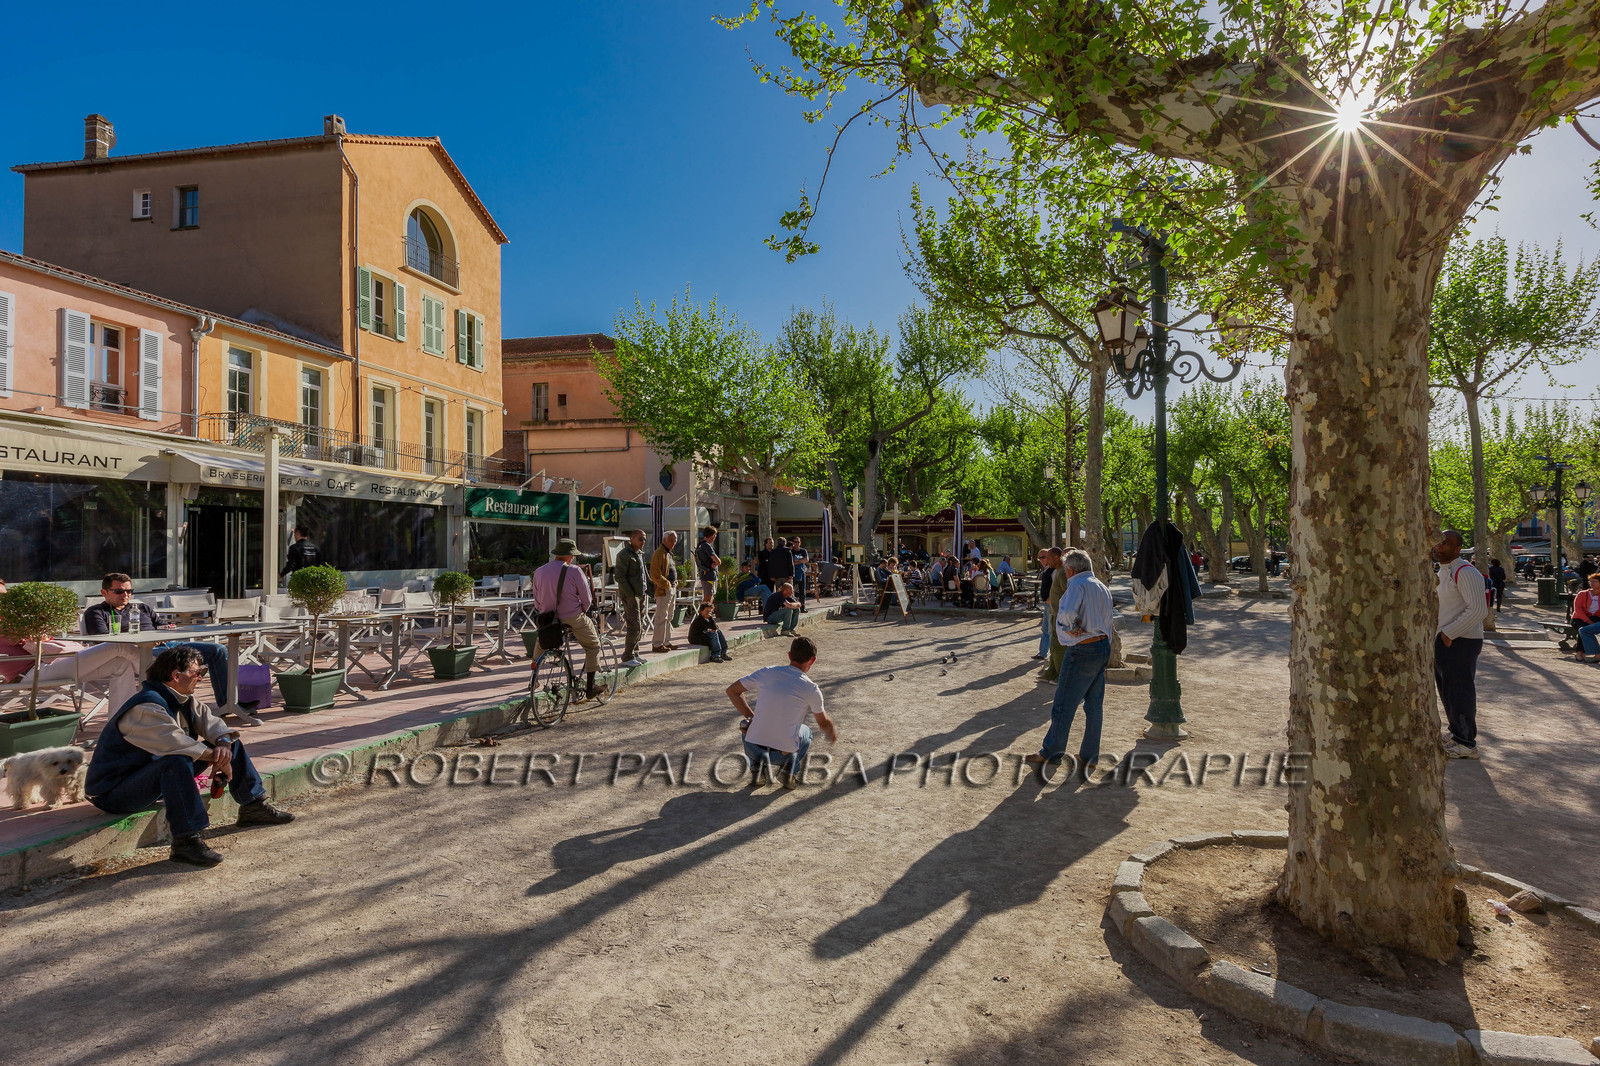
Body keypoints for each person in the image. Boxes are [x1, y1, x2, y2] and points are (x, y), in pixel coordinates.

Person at [85, 646, 294, 868]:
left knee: (230, 744)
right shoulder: (146, 706)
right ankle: (186, 840)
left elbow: (213, 725)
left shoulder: (183, 698)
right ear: (176, 676)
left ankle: (253, 805)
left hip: (145, 777)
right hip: (113, 792)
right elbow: (175, 742)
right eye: (198, 673)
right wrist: (216, 757)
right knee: (176, 761)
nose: (201, 678)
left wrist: (223, 745)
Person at [82, 572, 253, 723]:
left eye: (129, 591)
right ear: (104, 592)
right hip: (138, 652)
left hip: (167, 645)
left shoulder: (141, 607)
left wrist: (167, 630)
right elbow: (103, 643)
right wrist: (145, 640)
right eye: (119, 591)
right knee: (183, 663)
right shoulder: (97, 612)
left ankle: (227, 703)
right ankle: (179, 711)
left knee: (218, 650)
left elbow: (162, 625)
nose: (125, 595)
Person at [1026, 548, 1115, 773]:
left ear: (1071, 569)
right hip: (1102, 645)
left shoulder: (1077, 585)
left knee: (1064, 704)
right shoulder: (1101, 586)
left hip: (1083, 648)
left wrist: (1071, 629)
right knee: (1094, 705)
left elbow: (1065, 614)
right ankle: (1090, 755)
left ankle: (1051, 752)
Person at [725, 635, 837, 789]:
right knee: (806, 732)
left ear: (789, 655)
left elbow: (732, 691)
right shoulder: (811, 689)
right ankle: (788, 772)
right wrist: (831, 730)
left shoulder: (767, 672)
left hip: (754, 749)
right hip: (781, 755)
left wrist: (751, 717)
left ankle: (757, 770)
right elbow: (823, 722)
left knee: (747, 725)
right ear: (812, 660)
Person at [1434, 529, 1488, 760]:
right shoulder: (1444, 571)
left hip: (1460, 641)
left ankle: (1467, 742)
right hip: (1445, 640)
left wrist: (1449, 634)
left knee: (1460, 691)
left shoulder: (1465, 571)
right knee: (1448, 691)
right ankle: (1456, 733)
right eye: (1438, 542)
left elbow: (1478, 610)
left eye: (1446, 543)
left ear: (1457, 548)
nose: (1439, 546)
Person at [535, 538, 603, 701]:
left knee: (540, 645)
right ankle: (590, 687)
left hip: (548, 619)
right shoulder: (574, 571)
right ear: (570, 556)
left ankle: (534, 679)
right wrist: (583, 611)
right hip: (572, 616)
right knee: (593, 645)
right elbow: (587, 600)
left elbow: (537, 600)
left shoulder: (539, 571)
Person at [614, 529, 649, 667]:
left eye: (644, 539)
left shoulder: (640, 554)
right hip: (631, 596)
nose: (643, 542)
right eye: (640, 539)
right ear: (632, 539)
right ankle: (627, 656)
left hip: (641, 594)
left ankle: (635, 652)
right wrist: (630, 595)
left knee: (639, 625)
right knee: (635, 626)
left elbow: (643, 574)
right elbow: (620, 577)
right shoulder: (624, 555)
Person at [1039, 547, 1070, 682]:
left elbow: (1068, 593)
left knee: (1059, 646)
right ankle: (1051, 672)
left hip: (1060, 614)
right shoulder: (1057, 571)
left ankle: (1060, 675)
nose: (1046, 561)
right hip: (1054, 611)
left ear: (1056, 558)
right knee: (1053, 645)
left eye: (1049, 558)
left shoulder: (1063, 573)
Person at [649, 531, 680, 653]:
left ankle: (666, 641)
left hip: (671, 588)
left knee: (669, 617)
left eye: (675, 541)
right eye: (671, 540)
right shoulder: (659, 553)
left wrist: (674, 584)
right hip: (664, 590)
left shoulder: (668, 553)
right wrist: (666, 585)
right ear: (664, 540)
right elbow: (655, 574)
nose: (673, 543)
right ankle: (657, 644)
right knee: (661, 617)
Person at [1571, 572, 1600, 663]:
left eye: (1594, 581)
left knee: (1585, 630)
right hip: (1579, 618)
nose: (1591, 583)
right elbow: (1578, 610)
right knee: (1583, 628)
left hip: (1595, 617)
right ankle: (1580, 652)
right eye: (1590, 581)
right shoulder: (1582, 594)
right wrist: (1588, 621)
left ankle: (1584, 653)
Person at [695, 526, 721, 605]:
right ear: (713, 535)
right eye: (715, 536)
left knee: (707, 597)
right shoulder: (707, 546)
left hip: (704, 574)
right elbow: (718, 561)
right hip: (709, 575)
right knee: (708, 598)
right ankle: (705, 615)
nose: (715, 538)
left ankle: (705, 615)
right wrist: (716, 563)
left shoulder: (700, 545)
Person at [789, 537, 810, 609]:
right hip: (793, 572)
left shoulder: (803, 551)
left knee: (802, 591)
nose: (796, 543)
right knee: (792, 590)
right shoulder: (791, 551)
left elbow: (806, 559)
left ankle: (802, 606)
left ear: (800, 543)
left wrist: (797, 562)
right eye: (795, 542)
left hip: (801, 572)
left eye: (798, 542)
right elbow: (790, 563)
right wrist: (801, 561)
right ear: (793, 543)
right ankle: (793, 606)